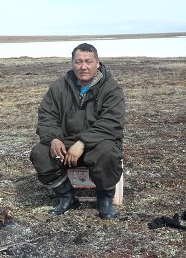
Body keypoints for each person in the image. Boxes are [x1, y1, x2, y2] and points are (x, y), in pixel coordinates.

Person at [30, 43, 125, 219]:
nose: (83, 67)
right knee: (40, 153)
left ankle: (104, 198)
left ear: (97, 63)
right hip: (66, 141)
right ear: (72, 63)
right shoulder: (59, 87)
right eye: (78, 61)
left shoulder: (111, 88)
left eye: (88, 61)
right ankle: (66, 195)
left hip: (98, 142)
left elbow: (112, 123)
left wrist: (82, 143)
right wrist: (54, 139)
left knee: (108, 152)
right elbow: (46, 116)